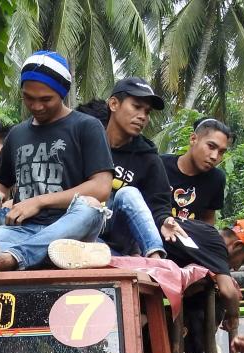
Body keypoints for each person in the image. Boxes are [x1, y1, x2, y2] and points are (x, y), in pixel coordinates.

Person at [0, 51, 113, 273]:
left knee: (90, 208)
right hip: (23, 230)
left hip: (71, 226)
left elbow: (101, 188)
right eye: (28, 97)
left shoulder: (87, 126)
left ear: (62, 93)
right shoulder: (17, 134)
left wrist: (40, 201)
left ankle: (15, 257)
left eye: (46, 99)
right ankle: (54, 254)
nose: (36, 106)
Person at [63, 79, 171, 263]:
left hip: (120, 240)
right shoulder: (83, 143)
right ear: (113, 104)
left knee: (128, 193)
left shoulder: (148, 158)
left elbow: (159, 205)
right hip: (82, 232)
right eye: (136, 107)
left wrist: (166, 221)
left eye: (147, 111)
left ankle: (157, 259)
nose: (142, 116)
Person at [163, 118, 231, 225]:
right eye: (211, 146)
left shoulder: (216, 180)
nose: (215, 156)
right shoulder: (160, 165)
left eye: (221, 152)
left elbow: (208, 220)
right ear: (193, 139)